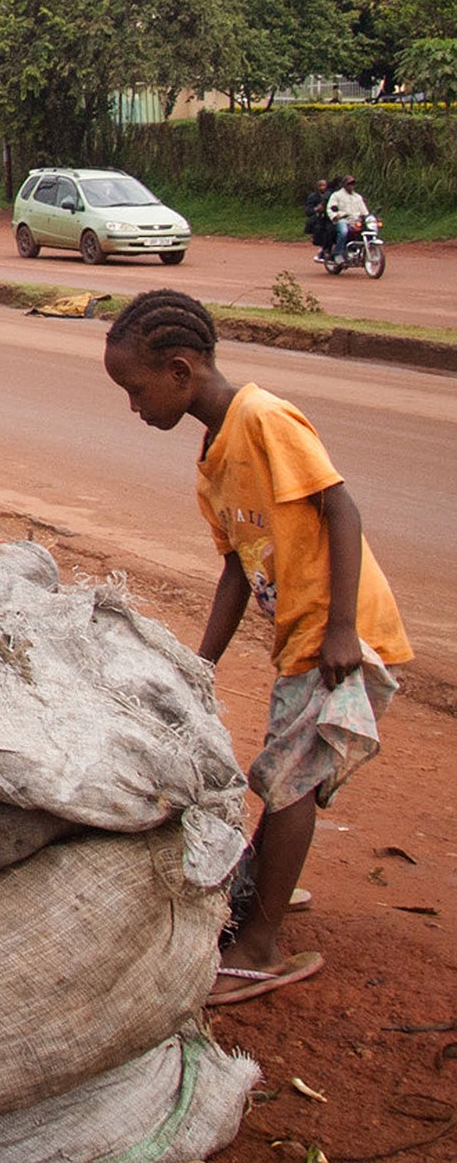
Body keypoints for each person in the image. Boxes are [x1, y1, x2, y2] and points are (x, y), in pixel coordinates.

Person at [102, 289, 411, 1007]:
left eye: (136, 389)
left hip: (340, 635)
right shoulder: (214, 461)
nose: (134, 406)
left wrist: (340, 629)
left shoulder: (263, 419)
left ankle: (261, 947)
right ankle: (267, 892)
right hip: (302, 637)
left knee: (288, 780)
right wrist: (199, 665)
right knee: (286, 771)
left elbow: (341, 506)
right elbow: (239, 571)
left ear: (180, 371)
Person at [325, 174, 368, 262]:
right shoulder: (336, 195)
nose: (351, 186)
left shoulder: (357, 197)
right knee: (344, 232)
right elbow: (330, 208)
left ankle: (362, 251)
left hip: (356, 221)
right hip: (343, 220)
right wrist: (335, 216)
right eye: (349, 184)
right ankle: (338, 253)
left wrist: (367, 217)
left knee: (368, 231)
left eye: (353, 184)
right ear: (344, 185)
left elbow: (364, 211)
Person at [302, 178, 330, 260]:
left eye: (324, 185)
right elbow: (308, 211)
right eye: (321, 186)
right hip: (318, 218)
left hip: (329, 217)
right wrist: (316, 209)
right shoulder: (313, 197)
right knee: (319, 229)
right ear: (317, 187)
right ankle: (322, 249)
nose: (323, 187)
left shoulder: (331, 196)